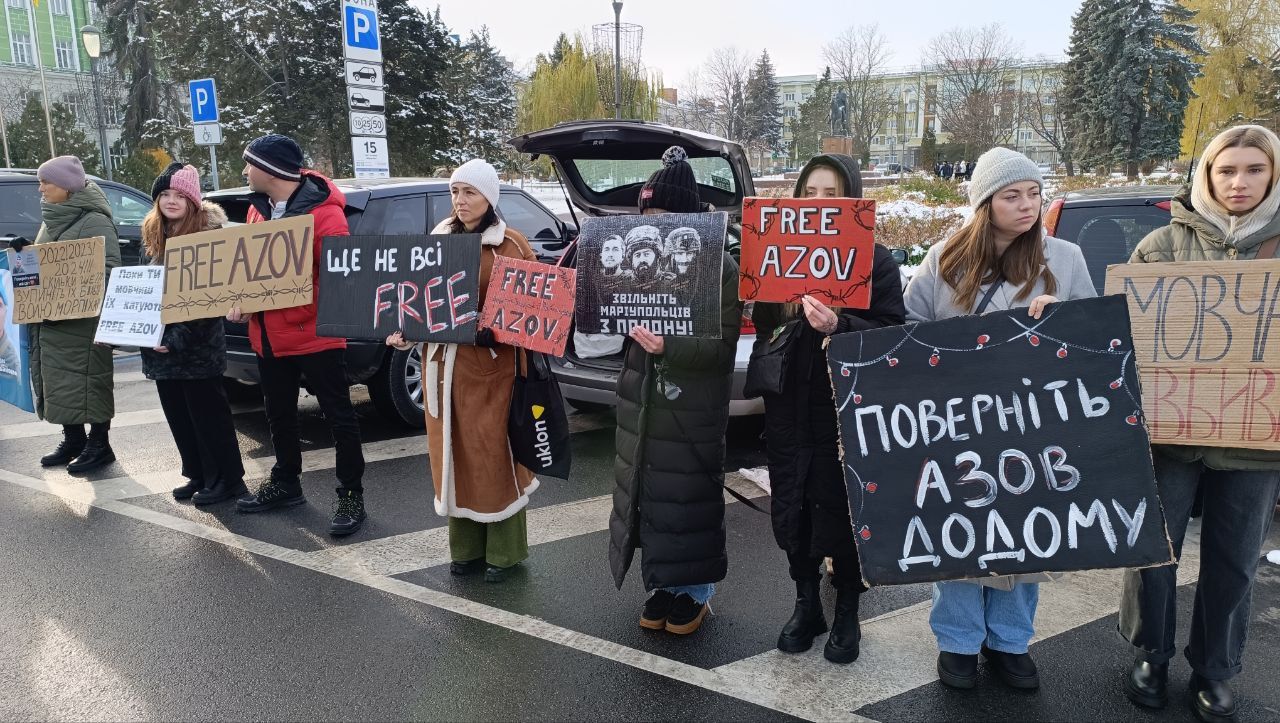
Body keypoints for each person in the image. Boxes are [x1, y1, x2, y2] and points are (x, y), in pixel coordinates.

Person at [902, 147, 1096, 690]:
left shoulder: (1065, 258)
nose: (1027, 205)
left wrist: (1060, 323)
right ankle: (958, 641)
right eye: (1012, 196)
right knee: (961, 535)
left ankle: (1011, 641)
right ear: (985, 203)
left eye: (1034, 193)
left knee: (1028, 535)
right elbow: (910, 331)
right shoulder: (945, 259)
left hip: (1036, 426)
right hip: (958, 424)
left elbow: (1089, 338)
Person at [1118, 125, 1280, 722]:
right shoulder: (1162, 247)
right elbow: (1122, 335)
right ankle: (1150, 655)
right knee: (1153, 552)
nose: (1240, 182)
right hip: (1169, 437)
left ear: (1273, 175)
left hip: (1256, 443)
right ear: (1207, 176)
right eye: (1227, 170)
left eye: (1254, 170)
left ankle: (1215, 669)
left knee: (1235, 559)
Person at [752, 154, 906, 664]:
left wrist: (839, 326)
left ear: (852, 202)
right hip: (788, 407)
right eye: (810, 194)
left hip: (844, 409)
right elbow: (764, 320)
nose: (820, 205)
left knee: (842, 510)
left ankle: (846, 611)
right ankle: (805, 602)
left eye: (832, 195)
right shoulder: (775, 252)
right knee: (792, 506)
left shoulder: (875, 261)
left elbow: (891, 336)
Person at [609, 145, 742, 635]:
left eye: (663, 213)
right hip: (642, 397)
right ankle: (663, 584)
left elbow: (722, 348)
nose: (654, 222)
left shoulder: (720, 268)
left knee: (689, 497)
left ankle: (697, 591)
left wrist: (671, 346)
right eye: (648, 213)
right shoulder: (640, 261)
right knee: (653, 495)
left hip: (692, 404)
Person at [386, 159, 539, 583]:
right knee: (450, 456)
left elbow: (530, 314)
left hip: (491, 374)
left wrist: (495, 332)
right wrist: (404, 333)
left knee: (492, 457)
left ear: (489, 197)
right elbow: (417, 301)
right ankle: (466, 550)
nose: (460, 200)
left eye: (470, 192)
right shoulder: (437, 240)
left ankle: (506, 553)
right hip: (441, 371)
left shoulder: (510, 244)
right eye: (455, 192)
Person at [225, 134, 367, 536]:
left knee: (340, 418)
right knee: (279, 413)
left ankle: (351, 495)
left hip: (316, 335)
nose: (245, 171)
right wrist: (242, 300)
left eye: (249, 164)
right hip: (269, 336)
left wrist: (274, 298)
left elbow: (339, 281)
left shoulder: (326, 215)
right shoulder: (259, 211)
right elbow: (253, 271)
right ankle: (286, 482)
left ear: (270, 170)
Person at [140, 163, 246, 505]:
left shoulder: (207, 237)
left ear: (192, 201)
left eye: (179, 195)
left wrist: (174, 340)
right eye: (164, 195)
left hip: (196, 346)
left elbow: (207, 300)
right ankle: (199, 474)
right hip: (161, 346)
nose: (171, 201)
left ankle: (227, 480)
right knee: (180, 416)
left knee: (208, 416)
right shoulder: (157, 235)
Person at [28, 155, 120, 473]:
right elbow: (48, 264)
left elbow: (106, 273)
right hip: (51, 322)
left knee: (88, 381)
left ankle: (99, 444)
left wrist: (68, 305)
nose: (40, 188)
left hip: (83, 323)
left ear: (66, 187)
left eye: (45, 182)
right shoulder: (54, 217)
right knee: (60, 383)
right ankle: (73, 439)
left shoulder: (94, 220)